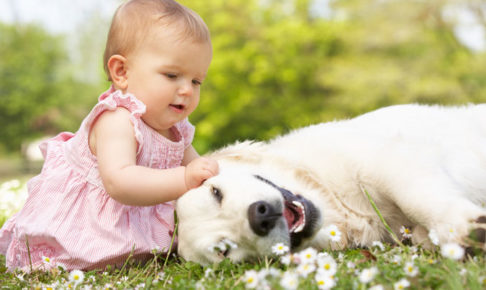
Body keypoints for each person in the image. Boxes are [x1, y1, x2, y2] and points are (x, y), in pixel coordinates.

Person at [0, 0, 218, 271]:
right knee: (68, 259)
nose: (187, 90)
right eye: (172, 75)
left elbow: (203, 173)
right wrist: (185, 178)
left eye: (196, 81)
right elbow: (120, 181)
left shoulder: (178, 129)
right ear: (121, 72)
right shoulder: (117, 118)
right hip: (85, 227)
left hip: (132, 227)